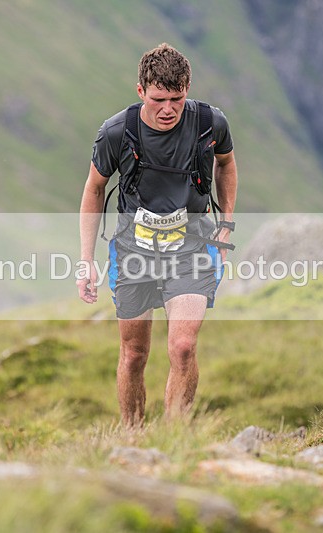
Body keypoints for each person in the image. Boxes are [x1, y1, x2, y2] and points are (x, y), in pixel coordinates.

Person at [77, 43, 238, 427]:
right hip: (134, 249)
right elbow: (93, 189)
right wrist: (86, 261)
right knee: (134, 354)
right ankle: (133, 437)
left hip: (193, 247)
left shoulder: (209, 123)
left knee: (183, 347)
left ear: (188, 90)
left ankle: (172, 438)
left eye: (177, 99)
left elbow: (226, 164)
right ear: (140, 92)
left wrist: (226, 224)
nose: (167, 109)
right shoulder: (117, 132)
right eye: (158, 99)